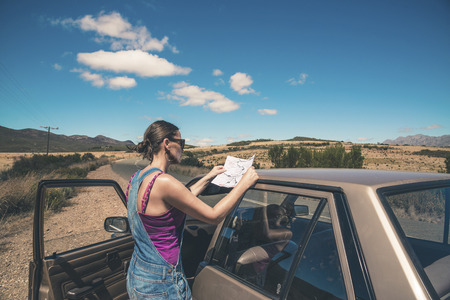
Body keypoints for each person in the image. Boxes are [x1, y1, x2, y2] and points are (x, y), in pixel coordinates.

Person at [126, 120, 259, 300]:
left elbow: (183, 197)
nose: (183, 148)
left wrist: (209, 176)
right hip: (162, 283)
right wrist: (243, 184)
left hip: (139, 274)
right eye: (181, 143)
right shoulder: (164, 182)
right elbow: (214, 216)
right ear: (167, 143)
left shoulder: (138, 177)